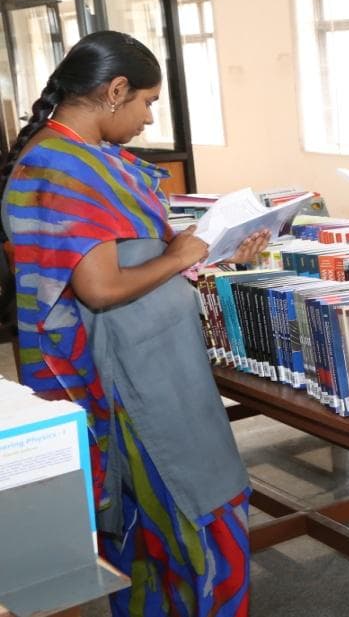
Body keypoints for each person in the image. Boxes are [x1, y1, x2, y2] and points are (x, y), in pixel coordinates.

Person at [0, 31, 268, 616]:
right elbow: (101, 287)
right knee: (193, 511)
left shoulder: (88, 157)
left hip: (154, 356)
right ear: (115, 90)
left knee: (167, 520)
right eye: (147, 101)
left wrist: (213, 250)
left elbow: (132, 255)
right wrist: (180, 257)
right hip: (132, 375)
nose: (149, 118)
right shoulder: (59, 165)